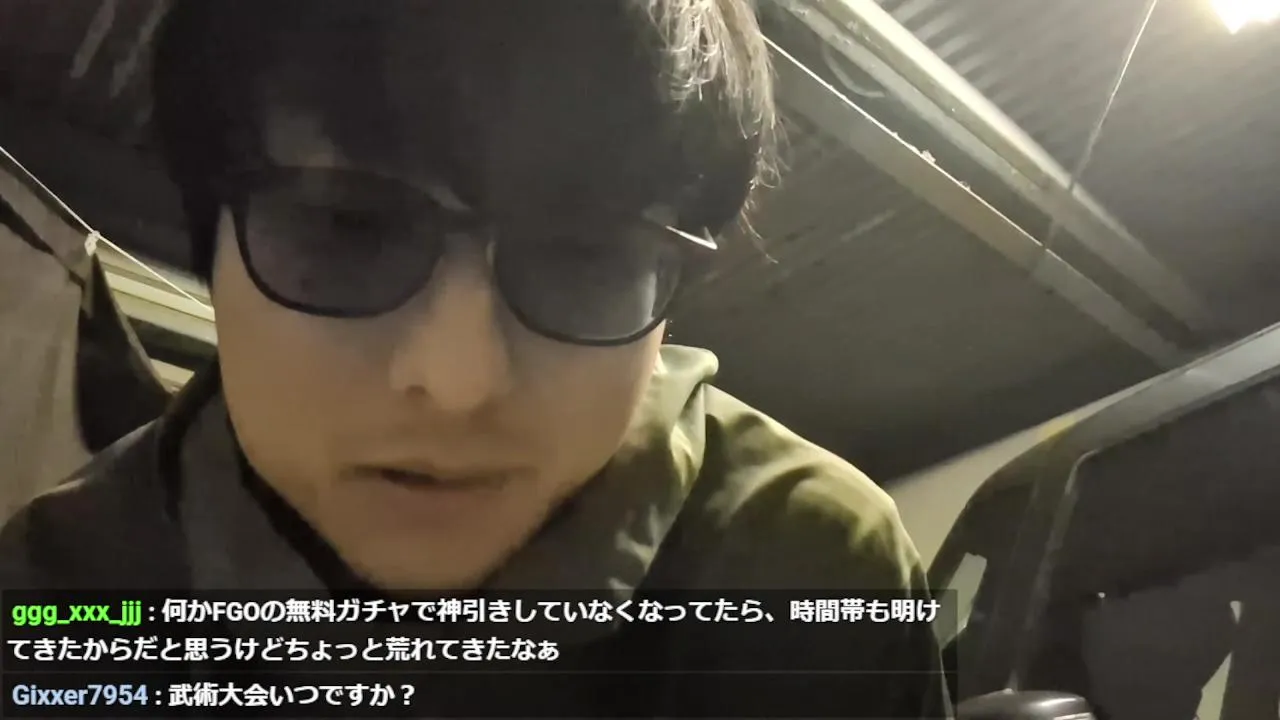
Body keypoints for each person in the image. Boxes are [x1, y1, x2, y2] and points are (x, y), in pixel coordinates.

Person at [0, 1, 948, 716]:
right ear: (210, 244)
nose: (459, 384)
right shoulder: (55, 594)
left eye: (586, 257)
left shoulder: (812, 568)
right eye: (346, 231)